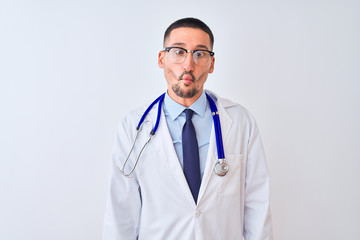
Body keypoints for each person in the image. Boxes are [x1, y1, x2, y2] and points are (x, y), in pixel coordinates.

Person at [103, 17, 273, 240]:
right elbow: (121, 216)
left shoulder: (241, 122)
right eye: (179, 51)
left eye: (199, 53)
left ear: (211, 64)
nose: (188, 64)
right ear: (162, 58)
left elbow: (257, 208)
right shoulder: (133, 127)